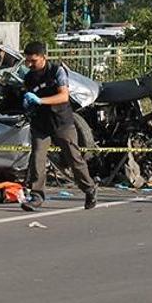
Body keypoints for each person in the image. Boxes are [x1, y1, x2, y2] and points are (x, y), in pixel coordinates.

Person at [20, 41, 97, 211]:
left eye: (33, 61)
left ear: (43, 57)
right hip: (41, 124)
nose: (30, 64)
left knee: (73, 158)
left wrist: (40, 100)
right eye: (28, 61)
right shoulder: (29, 77)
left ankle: (89, 188)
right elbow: (27, 95)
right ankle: (36, 196)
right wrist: (27, 103)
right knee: (37, 157)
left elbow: (63, 96)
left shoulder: (57, 71)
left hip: (61, 121)